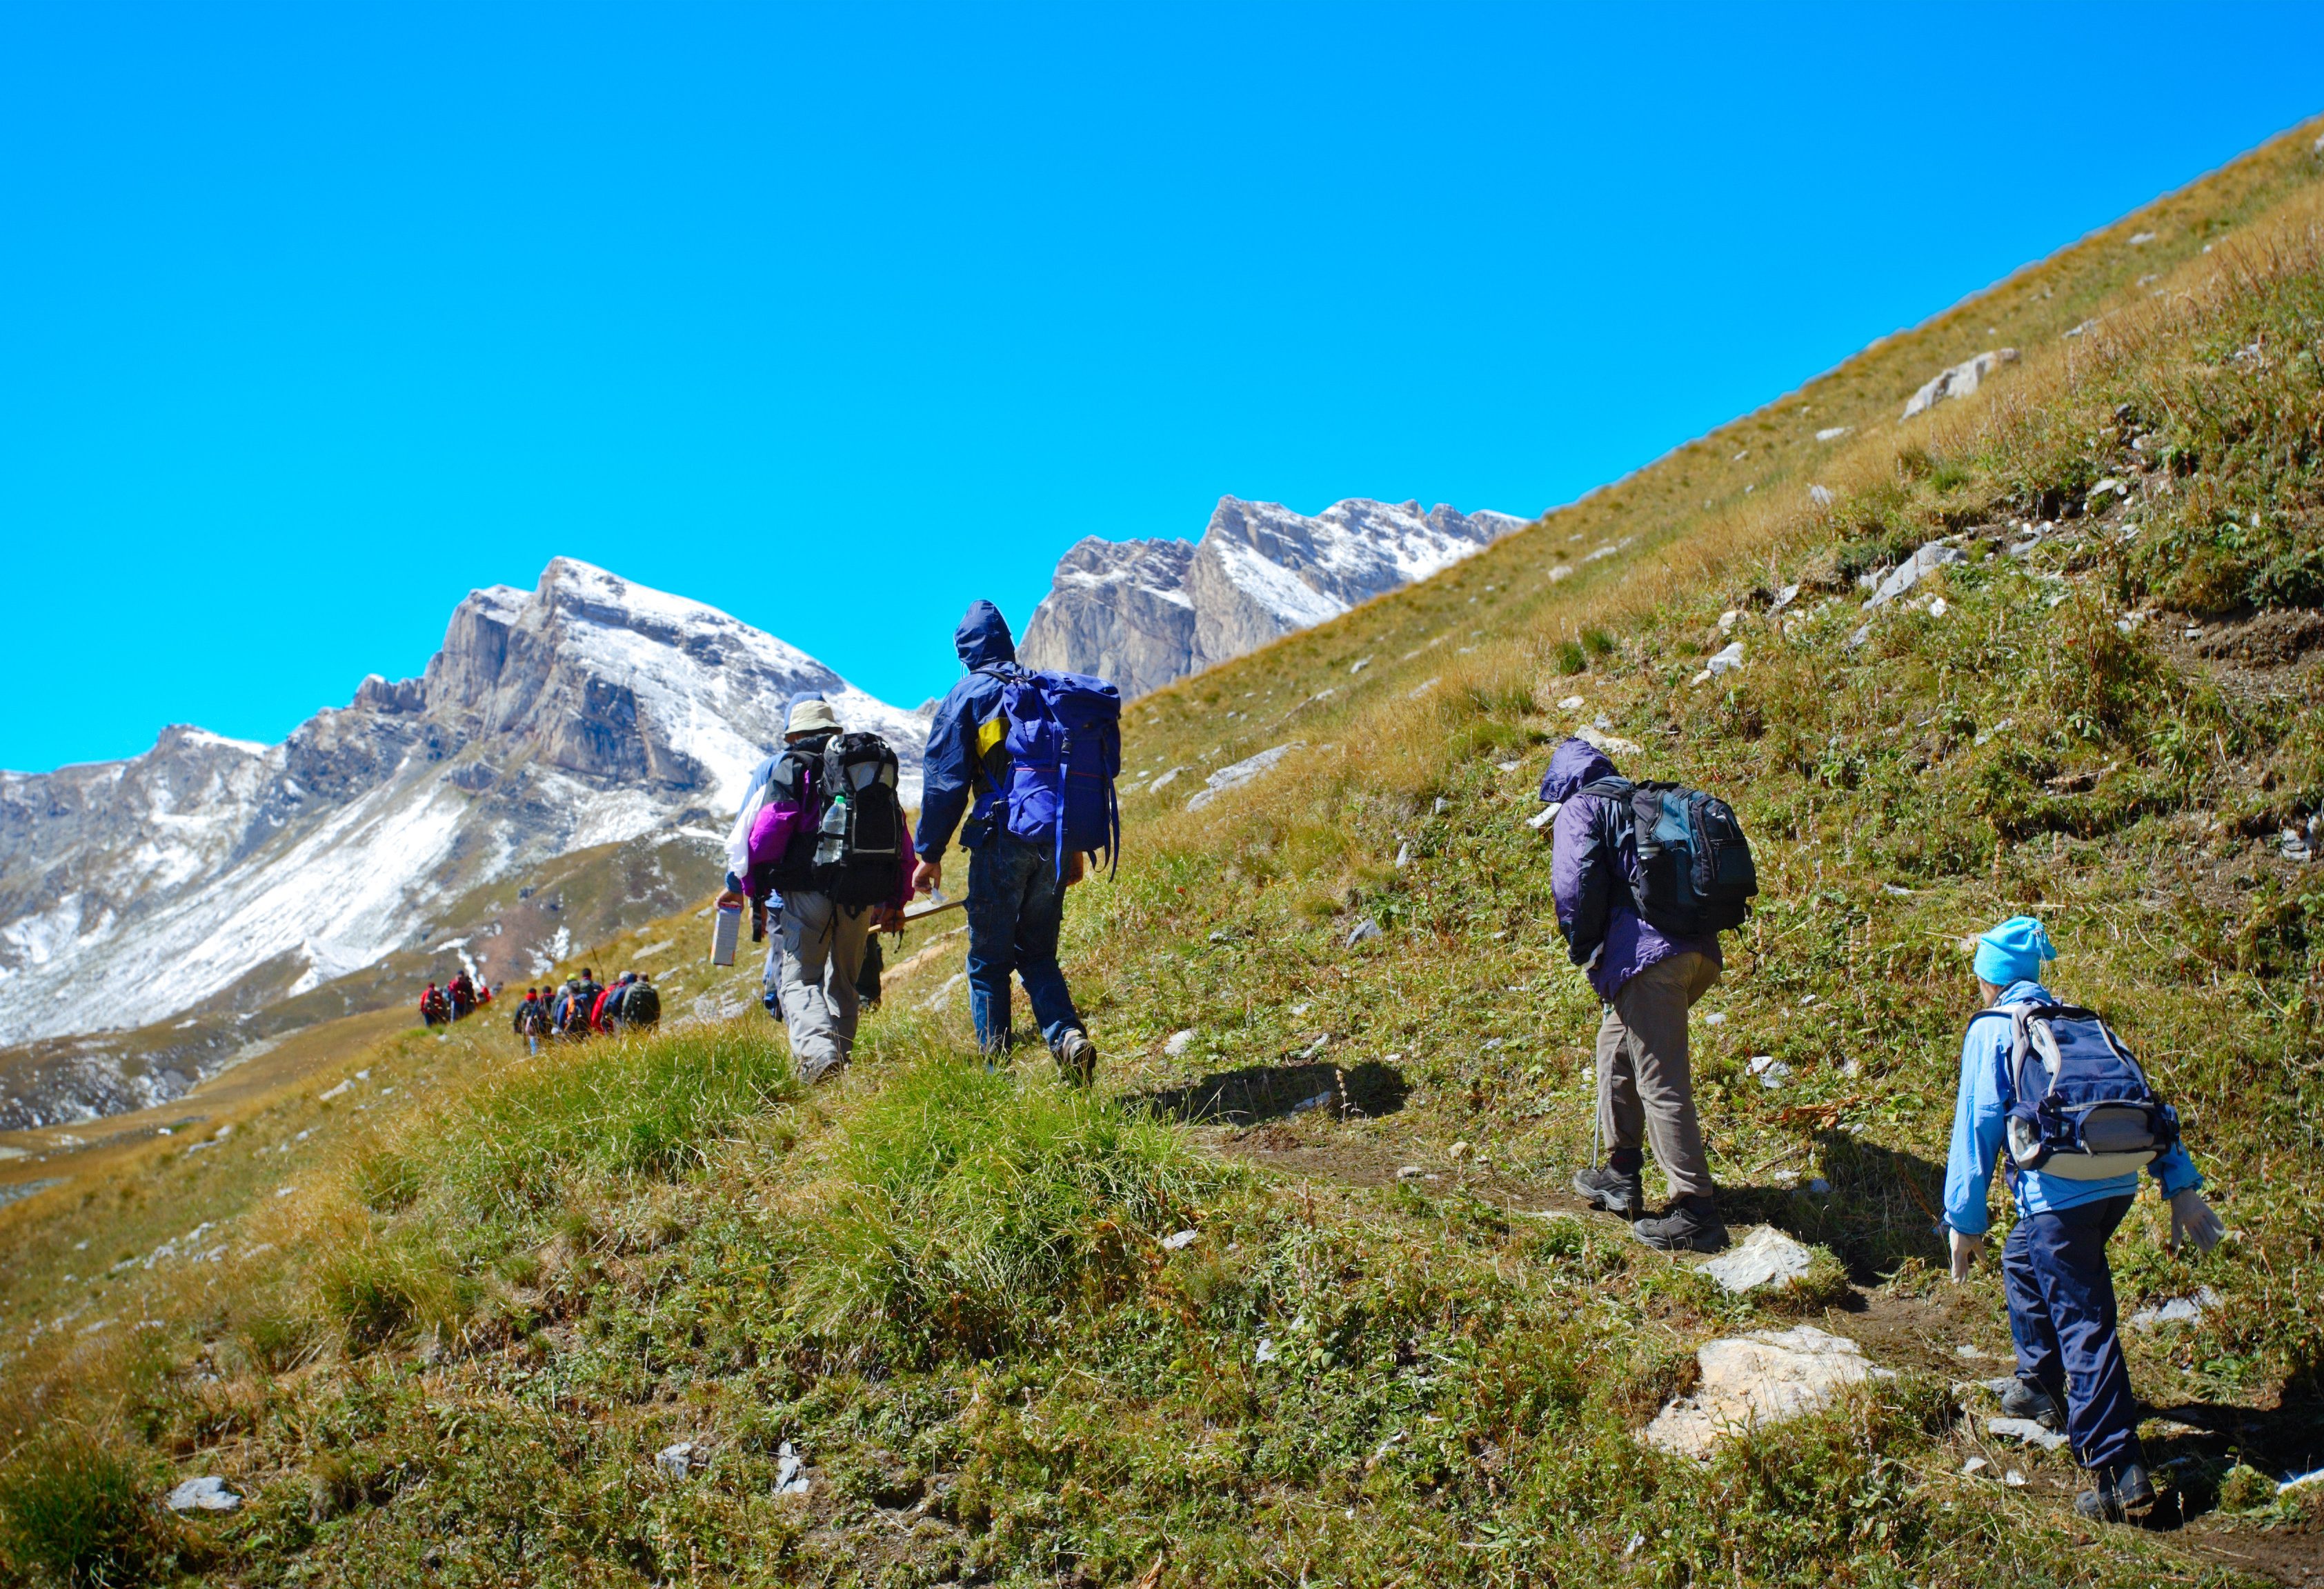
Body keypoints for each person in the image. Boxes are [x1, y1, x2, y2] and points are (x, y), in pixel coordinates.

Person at [1942, 916, 2225, 1523]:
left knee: (2084, 1321)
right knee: (2023, 1256)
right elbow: (2143, 1102)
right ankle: (2040, 1385)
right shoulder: (2075, 1022)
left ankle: (2119, 1471)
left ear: (1990, 979)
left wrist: (1963, 1221)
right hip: (2113, 1184)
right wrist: (2178, 1185)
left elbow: (1975, 1127)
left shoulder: (1992, 1028)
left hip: (2059, 1196)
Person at [1542, 736, 1728, 1252]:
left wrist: (1585, 951)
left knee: (1660, 1081)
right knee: (1615, 1045)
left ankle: (1696, 1213)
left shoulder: (1581, 806)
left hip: (1650, 962)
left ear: (1561, 781)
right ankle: (1621, 1172)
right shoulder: (1643, 801)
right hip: (1696, 953)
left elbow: (1573, 886)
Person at [911, 601, 1097, 1081]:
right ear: (1007, 644)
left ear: (965, 653)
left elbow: (945, 782)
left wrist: (929, 853)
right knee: (1038, 953)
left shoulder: (966, 695)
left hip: (1001, 837)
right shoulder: (1044, 688)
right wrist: (1074, 847)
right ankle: (1067, 1036)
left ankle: (998, 1075)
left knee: (988, 962)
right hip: (1054, 838)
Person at [735, 698, 915, 1083]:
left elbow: (769, 829)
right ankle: (840, 1063)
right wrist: (896, 901)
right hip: (861, 893)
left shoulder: (794, 765)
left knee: (799, 979)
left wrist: (755, 886)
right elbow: (901, 837)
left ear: (795, 735)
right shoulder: (864, 766)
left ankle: (819, 1057)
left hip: (807, 892)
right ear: (832, 730)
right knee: (844, 982)